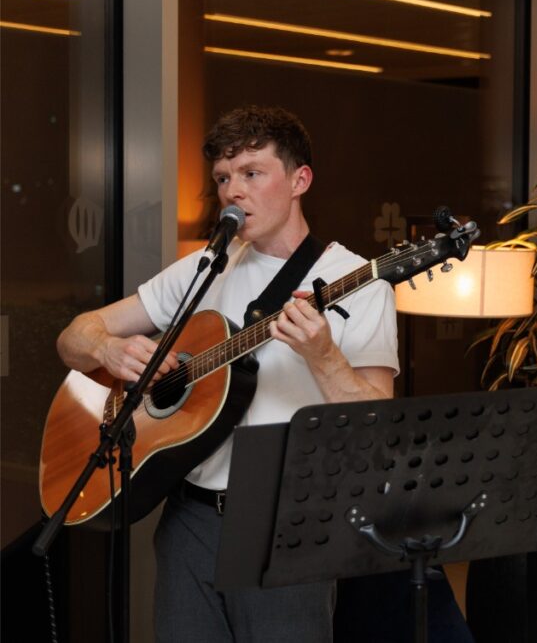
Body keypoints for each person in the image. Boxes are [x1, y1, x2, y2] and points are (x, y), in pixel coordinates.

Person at [56, 106, 402, 641]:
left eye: (252, 173)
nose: (233, 191)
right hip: (189, 516)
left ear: (300, 180)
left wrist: (322, 356)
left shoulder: (360, 283)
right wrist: (108, 348)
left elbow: (375, 427)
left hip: (286, 522)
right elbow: (73, 337)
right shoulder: (204, 269)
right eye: (222, 178)